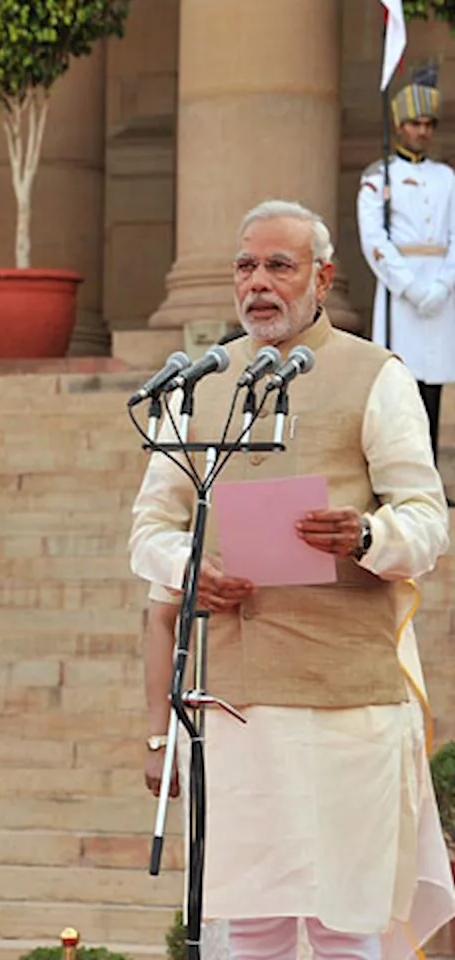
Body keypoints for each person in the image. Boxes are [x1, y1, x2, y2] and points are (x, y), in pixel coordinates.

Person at [130, 198, 455, 960]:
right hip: (242, 705)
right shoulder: (203, 384)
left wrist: (368, 533)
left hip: (352, 700)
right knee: (255, 924)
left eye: (280, 265)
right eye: (247, 266)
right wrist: (192, 568)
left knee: (347, 921)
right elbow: (148, 530)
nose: (259, 284)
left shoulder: (376, 375)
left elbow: (428, 523)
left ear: (322, 277)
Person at [358, 62, 455, 496]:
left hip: (441, 292)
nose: (422, 131)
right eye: (415, 123)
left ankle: (430, 481)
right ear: (399, 125)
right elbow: (374, 240)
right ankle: (402, 482)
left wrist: (443, 284)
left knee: (434, 388)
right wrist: (411, 287)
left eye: (428, 124)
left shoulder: (446, 178)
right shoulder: (378, 178)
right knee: (403, 388)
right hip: (402, 294)